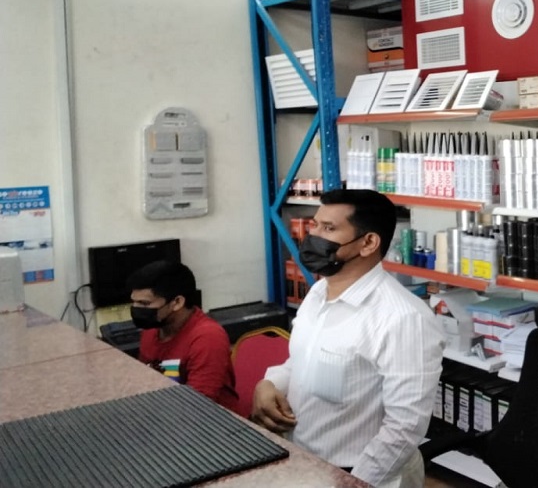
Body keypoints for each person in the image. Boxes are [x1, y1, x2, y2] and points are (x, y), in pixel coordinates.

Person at [252, 189, 444, 488]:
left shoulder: (404, 319)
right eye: (315, 225)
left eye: (329, 229)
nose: (313, 236)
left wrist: (353, 483)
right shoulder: (318, 292)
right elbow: (302, 360)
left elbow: (404, 427)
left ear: (368, 243)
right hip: (306, 461)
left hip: (363, 474)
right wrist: (270, 383)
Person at [127, 260, 239, 413]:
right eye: (134, 302)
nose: (136, 309)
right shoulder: (152, 329)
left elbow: (198, 405)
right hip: (163, 412)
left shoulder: (208, 338)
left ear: (177, 302)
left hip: (210, 421)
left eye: (144, 304)